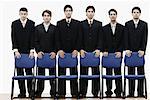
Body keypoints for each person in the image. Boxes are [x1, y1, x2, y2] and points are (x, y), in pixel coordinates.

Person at [55, 5, 80, 98]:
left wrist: (76, 49)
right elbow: (57, 38)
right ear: (64, 12)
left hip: (73, 52)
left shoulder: (77, 23)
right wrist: (59, 49)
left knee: (74, 73)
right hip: (63, 53)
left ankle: (74, 93)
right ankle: (61, 93)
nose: (68, 12)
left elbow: (79, 37)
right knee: (62, 73)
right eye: (66, 11)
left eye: (70, 10)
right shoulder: (59, 23)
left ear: (72, 12)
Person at [11, 7, 35, 98]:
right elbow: (13, 37)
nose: (23, 15)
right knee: (20, 73)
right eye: (22, 14)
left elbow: (33, 37)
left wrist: (32, 50)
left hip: (29, 51)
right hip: (18, 52)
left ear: (27, 14)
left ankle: (30, 92)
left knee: (29, 73)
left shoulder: (31, 23)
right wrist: (15, 50)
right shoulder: (15, 23)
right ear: (19, 14)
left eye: (25, 14)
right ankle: (22, 92)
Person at [79, 6, 102, 98]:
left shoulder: (99, 24)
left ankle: (95, 92)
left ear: (94, 13)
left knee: (95, 73)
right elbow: (79, 37)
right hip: (84, 52)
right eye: (88, 11)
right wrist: (80, 49)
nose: (90, 13)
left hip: (94, 52)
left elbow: (101, 38)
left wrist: (99, 49)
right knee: (83, 73)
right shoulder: (81, 24)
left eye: (92, 11)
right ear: (86, 13)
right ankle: (83, 92)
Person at [125, 7, 148, 97]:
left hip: (140, 52)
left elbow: (145, 38)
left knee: (140, 72)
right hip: (130, 52)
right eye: (134, 12)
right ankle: (130, 92)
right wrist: (127, 49)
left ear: (140, 14)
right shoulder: (128, 24)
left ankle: (140, 92)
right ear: (132, 13)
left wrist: (143, 49)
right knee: (130, 72)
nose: (136, 14)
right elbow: (126, 38)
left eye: (137, 12)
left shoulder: (144, 24)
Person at [34, 10, 57, 98]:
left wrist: (54, 51)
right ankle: (39, 92)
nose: (46, 17)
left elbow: (57, 41)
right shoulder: (37, 28)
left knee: (52, 75)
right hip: (41, 55)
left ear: (50, 17)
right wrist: (38, 51)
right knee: (40, 75)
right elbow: (35, 41)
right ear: (42, 17)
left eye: (48, 15)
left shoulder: (54, 28)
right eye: (45, 15)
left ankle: (54, 92)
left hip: (51, 55)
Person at [103, 9, 124, 97]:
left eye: (114, 14)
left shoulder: (122, 28)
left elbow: (124, 40)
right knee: (108, 73)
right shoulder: (104, 28)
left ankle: (118, 91)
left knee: (118, 72)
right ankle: (108, 91)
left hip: (117, 54)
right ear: (109, 16)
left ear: (116, 15)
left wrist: (120, 51)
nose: (112, 16)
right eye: (111, 14)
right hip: (108, 54)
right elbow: (102, 40)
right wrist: (104, 50)